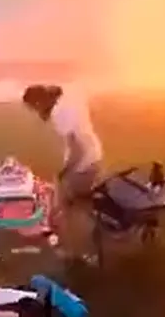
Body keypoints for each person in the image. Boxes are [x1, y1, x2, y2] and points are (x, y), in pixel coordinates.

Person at [22, 85, 104, 257]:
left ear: (39, 101)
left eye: (33, 107)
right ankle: (76, 238)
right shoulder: (68, 98)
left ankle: (79, 251)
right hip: (95, 155)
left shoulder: (60, 114)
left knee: (69, 208)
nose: (35, 112)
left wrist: (67, 170)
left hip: (85, 163)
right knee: (67, 199)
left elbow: (77, 147)